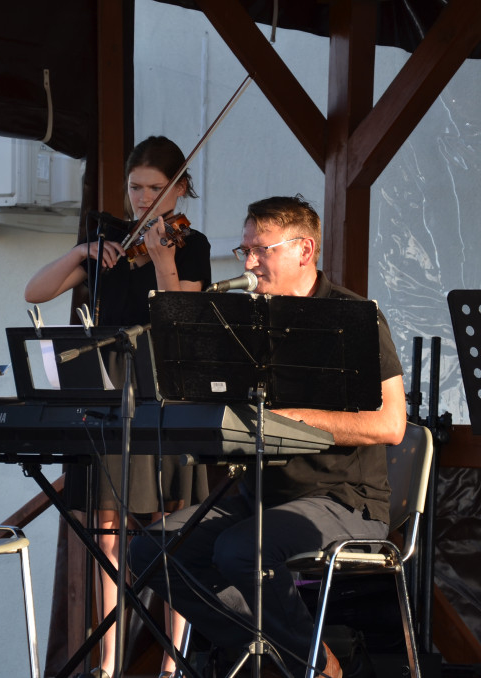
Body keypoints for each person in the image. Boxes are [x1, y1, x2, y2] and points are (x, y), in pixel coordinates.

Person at [128, 195, 407, 678]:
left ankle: (315, 666)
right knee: (150, 552)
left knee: (240, 549)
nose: (251, 262)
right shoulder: (247, 319)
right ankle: (277, 653)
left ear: (305, 250)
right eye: (245, 251)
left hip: (344, 500)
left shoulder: (355, 316)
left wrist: (296, 418)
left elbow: (390, 425)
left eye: (262, 250)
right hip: (261, 497)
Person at [25, 136, 212, 678]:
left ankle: (172, 664)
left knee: (173, 521)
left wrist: (161, 261)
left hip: (166, 388)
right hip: (112, 387)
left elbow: (185, 320)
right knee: (107, 527)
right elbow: (34, 292)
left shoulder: (188, 244)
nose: (144, 199)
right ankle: (108, 660)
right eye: (136, 187)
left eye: (157, 189)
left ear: (179, 189)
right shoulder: (108, 245)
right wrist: (81, 252)